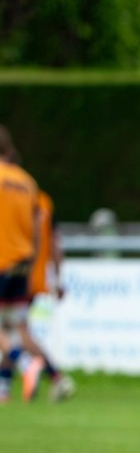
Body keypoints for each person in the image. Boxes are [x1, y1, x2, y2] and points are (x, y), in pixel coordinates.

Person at [0, 129, 70, 404]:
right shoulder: (27, 182)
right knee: (19, 327)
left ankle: (25, 364)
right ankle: (54, 376)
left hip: (1, 259)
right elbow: (42, 233)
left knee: (8, 331)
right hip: (23, 263)